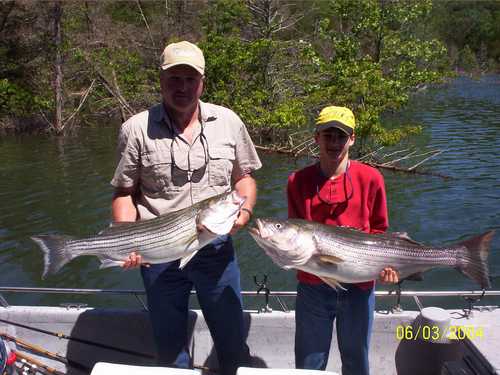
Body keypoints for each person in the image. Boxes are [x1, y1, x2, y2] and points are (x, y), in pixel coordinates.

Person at [110, 41, 262, 375]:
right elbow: (124, 194)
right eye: (174, 78)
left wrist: (246, 212)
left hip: (217, 249)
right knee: (169, 349)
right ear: (161, 80)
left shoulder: (229, 121)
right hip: (158, 254)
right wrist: (125, 241)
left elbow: (244, 179)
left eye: (190, 79)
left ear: (202, 82)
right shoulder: (136, 129)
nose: (182, 87)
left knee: (233, 342)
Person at [287, 105, 399, 375]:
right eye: (328, 135)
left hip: (359, 288)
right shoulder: (297, 182)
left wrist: (388, 269)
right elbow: (295, 234)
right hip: (312, 288)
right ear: (316, 138)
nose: (334, 143)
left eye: (341, 136)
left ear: (352, 138)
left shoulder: (372, 178)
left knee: (356, 361)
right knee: (308, 364)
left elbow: (379, 232)